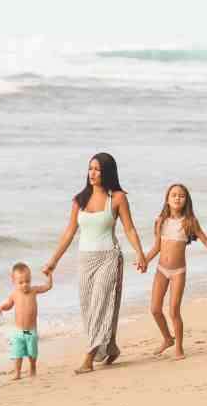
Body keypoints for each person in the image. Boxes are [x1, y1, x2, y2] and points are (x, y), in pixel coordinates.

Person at [42, 152, 148, 374]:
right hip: (84, 260)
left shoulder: (117, 198)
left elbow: (129, 228)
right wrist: (53, 261)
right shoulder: (79, 200)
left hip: (109, 257)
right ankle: (110, 347)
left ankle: (89, 358)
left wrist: (140, 253)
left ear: (107, 172)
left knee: (102, 304)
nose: (92, 173)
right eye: (90, 168)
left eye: (98, 169)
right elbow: (69, 232)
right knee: (89, 310)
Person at [143, 183, 207, 360]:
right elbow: (156, 247)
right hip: (161, 270)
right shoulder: (160, 221)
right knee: (155, 309)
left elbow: (204, 238)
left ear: (186, 200)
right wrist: (144, 261)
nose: (177, 198)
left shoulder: (189, 222)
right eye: (174, 195)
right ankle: (167, 339)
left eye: (181, 195)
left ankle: (179, 347)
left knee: (174, 311)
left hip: (178, 272)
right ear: (167, 199)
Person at [0, 262, 53, 379]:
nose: (25, 285)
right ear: (13, 282)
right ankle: (17, 373)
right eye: (21, 282)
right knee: (17, 353)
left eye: (27, 281)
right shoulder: (14, 294)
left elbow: (48, 287)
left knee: (32, 353)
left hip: (30, 331)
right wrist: (1, 308)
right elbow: (9, 305)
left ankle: (33, 367)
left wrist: (49, 275)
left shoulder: (33, 291)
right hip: (19, 332)